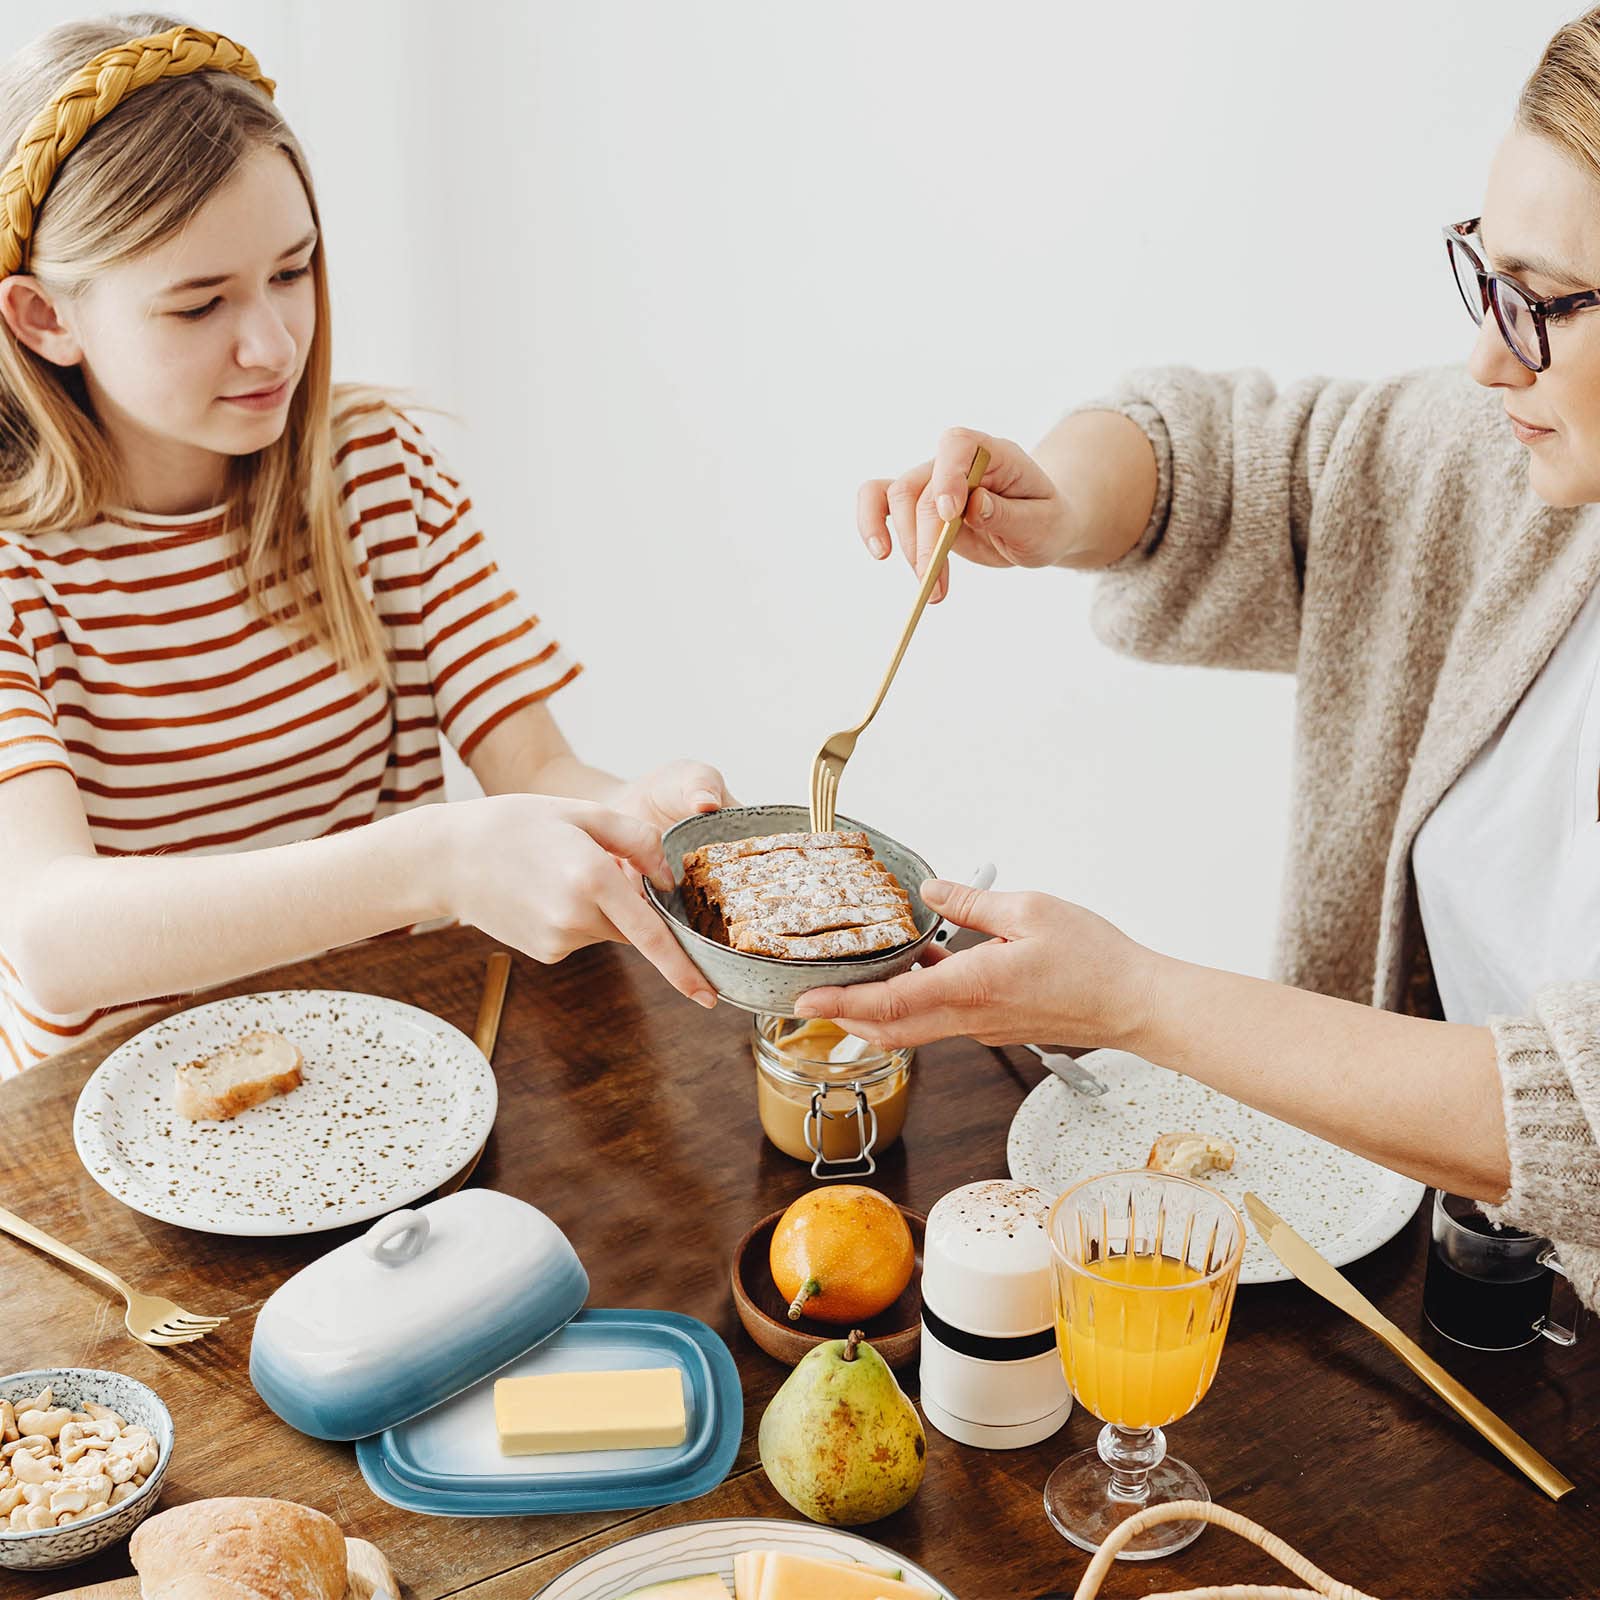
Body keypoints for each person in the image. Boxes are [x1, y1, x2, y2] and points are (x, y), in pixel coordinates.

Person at [800, 8, 1600, 1310]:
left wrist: (1130, 999)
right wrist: (1058, 493)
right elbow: (1242, 458)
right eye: (1480, 273)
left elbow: (1581, 1120)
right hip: (1457, 1288)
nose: (1485, 355)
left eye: (1541, 303)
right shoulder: (1524, 476)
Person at [0, 17, 729, 1074]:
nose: (272, 344)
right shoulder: (20, 571)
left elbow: (536, 765)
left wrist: (627, 818)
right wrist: (434, 862)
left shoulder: (375, 468)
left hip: (387, 1082)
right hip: (117, 1126)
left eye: (292, 272)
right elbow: (50, 936)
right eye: (199, 303)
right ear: (41, 319)